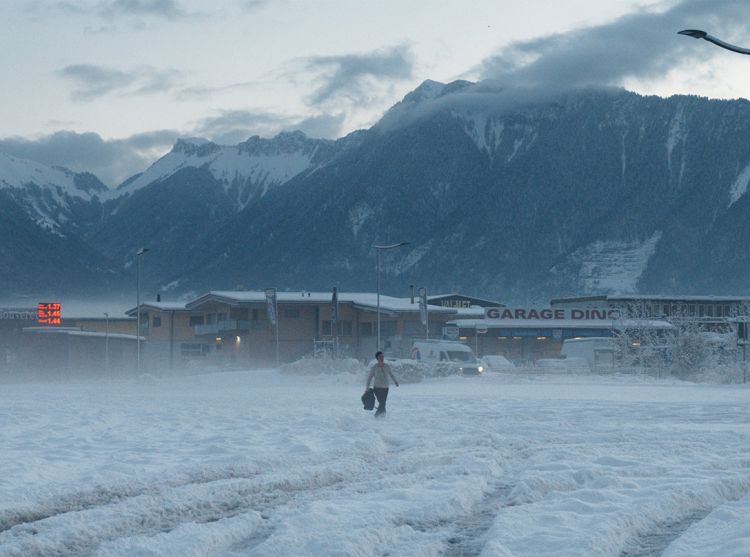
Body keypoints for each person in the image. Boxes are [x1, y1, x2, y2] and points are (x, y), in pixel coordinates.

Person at [364, 351, 400, 417]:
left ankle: (379, 415)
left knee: (383, 402)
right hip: (377, 388)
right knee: (381, 402)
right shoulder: (374, 367)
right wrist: (367, 387)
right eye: (380, 357)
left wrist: (395, 381)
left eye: (383, 357)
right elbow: (369, 378)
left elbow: (391, 375)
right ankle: (381, 414)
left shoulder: (387, 366)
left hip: (385, 388)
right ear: (377, 358)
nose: (382, 358)